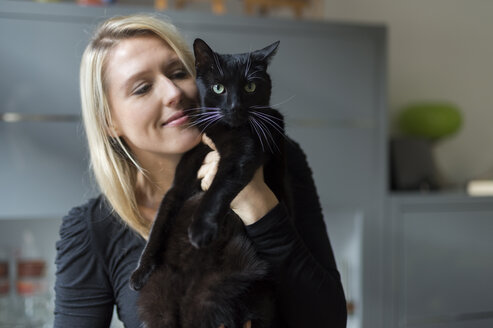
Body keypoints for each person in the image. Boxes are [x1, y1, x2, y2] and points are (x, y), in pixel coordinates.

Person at [54, 14, 347, 328]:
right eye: (142, 88)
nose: (173, 93)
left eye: (179, 72)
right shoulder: (92, 229)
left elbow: (329, 320)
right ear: (110, 121)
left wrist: (257, 201)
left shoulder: (278, 158)